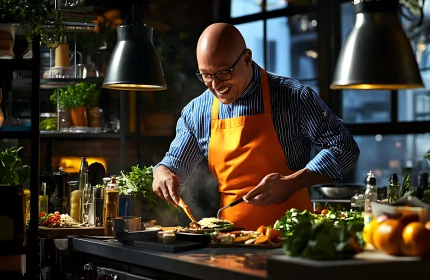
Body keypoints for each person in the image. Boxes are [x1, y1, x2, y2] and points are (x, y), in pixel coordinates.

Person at [152, 22, 360, 230]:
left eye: (223, 72)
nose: (215, 86)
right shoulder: (197, 111)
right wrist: (162, 172)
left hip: (292, 237)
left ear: (246, 58)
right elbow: (174, 164)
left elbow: (345, 148)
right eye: (206, 75)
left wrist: (292, 183)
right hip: (230, 240)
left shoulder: (293, 97)